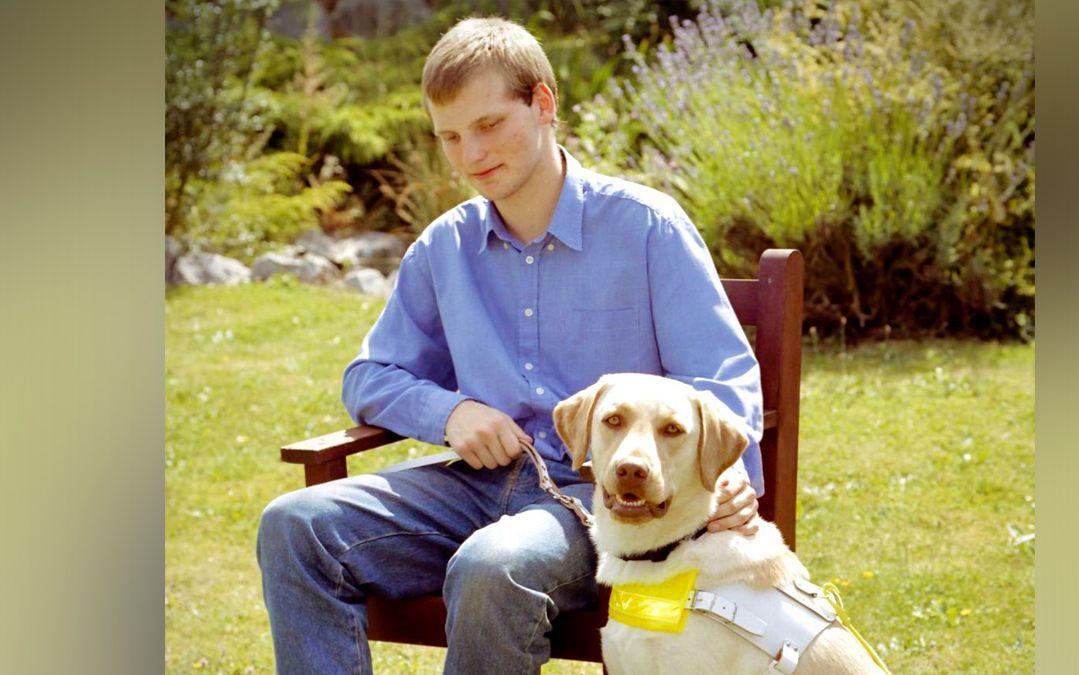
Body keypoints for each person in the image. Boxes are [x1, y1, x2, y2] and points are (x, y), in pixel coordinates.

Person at [257, 16, 765, 674]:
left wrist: (724, 476)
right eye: (450, 137)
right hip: (472, 489)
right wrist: (449, 414)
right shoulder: (446, 246)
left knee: (491, 566)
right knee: (294, 524)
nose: (471, 154)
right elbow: (369, 374)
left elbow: (721, 381)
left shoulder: (645, 228)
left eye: (489, 124)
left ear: (543, 103)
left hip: (601, 500)